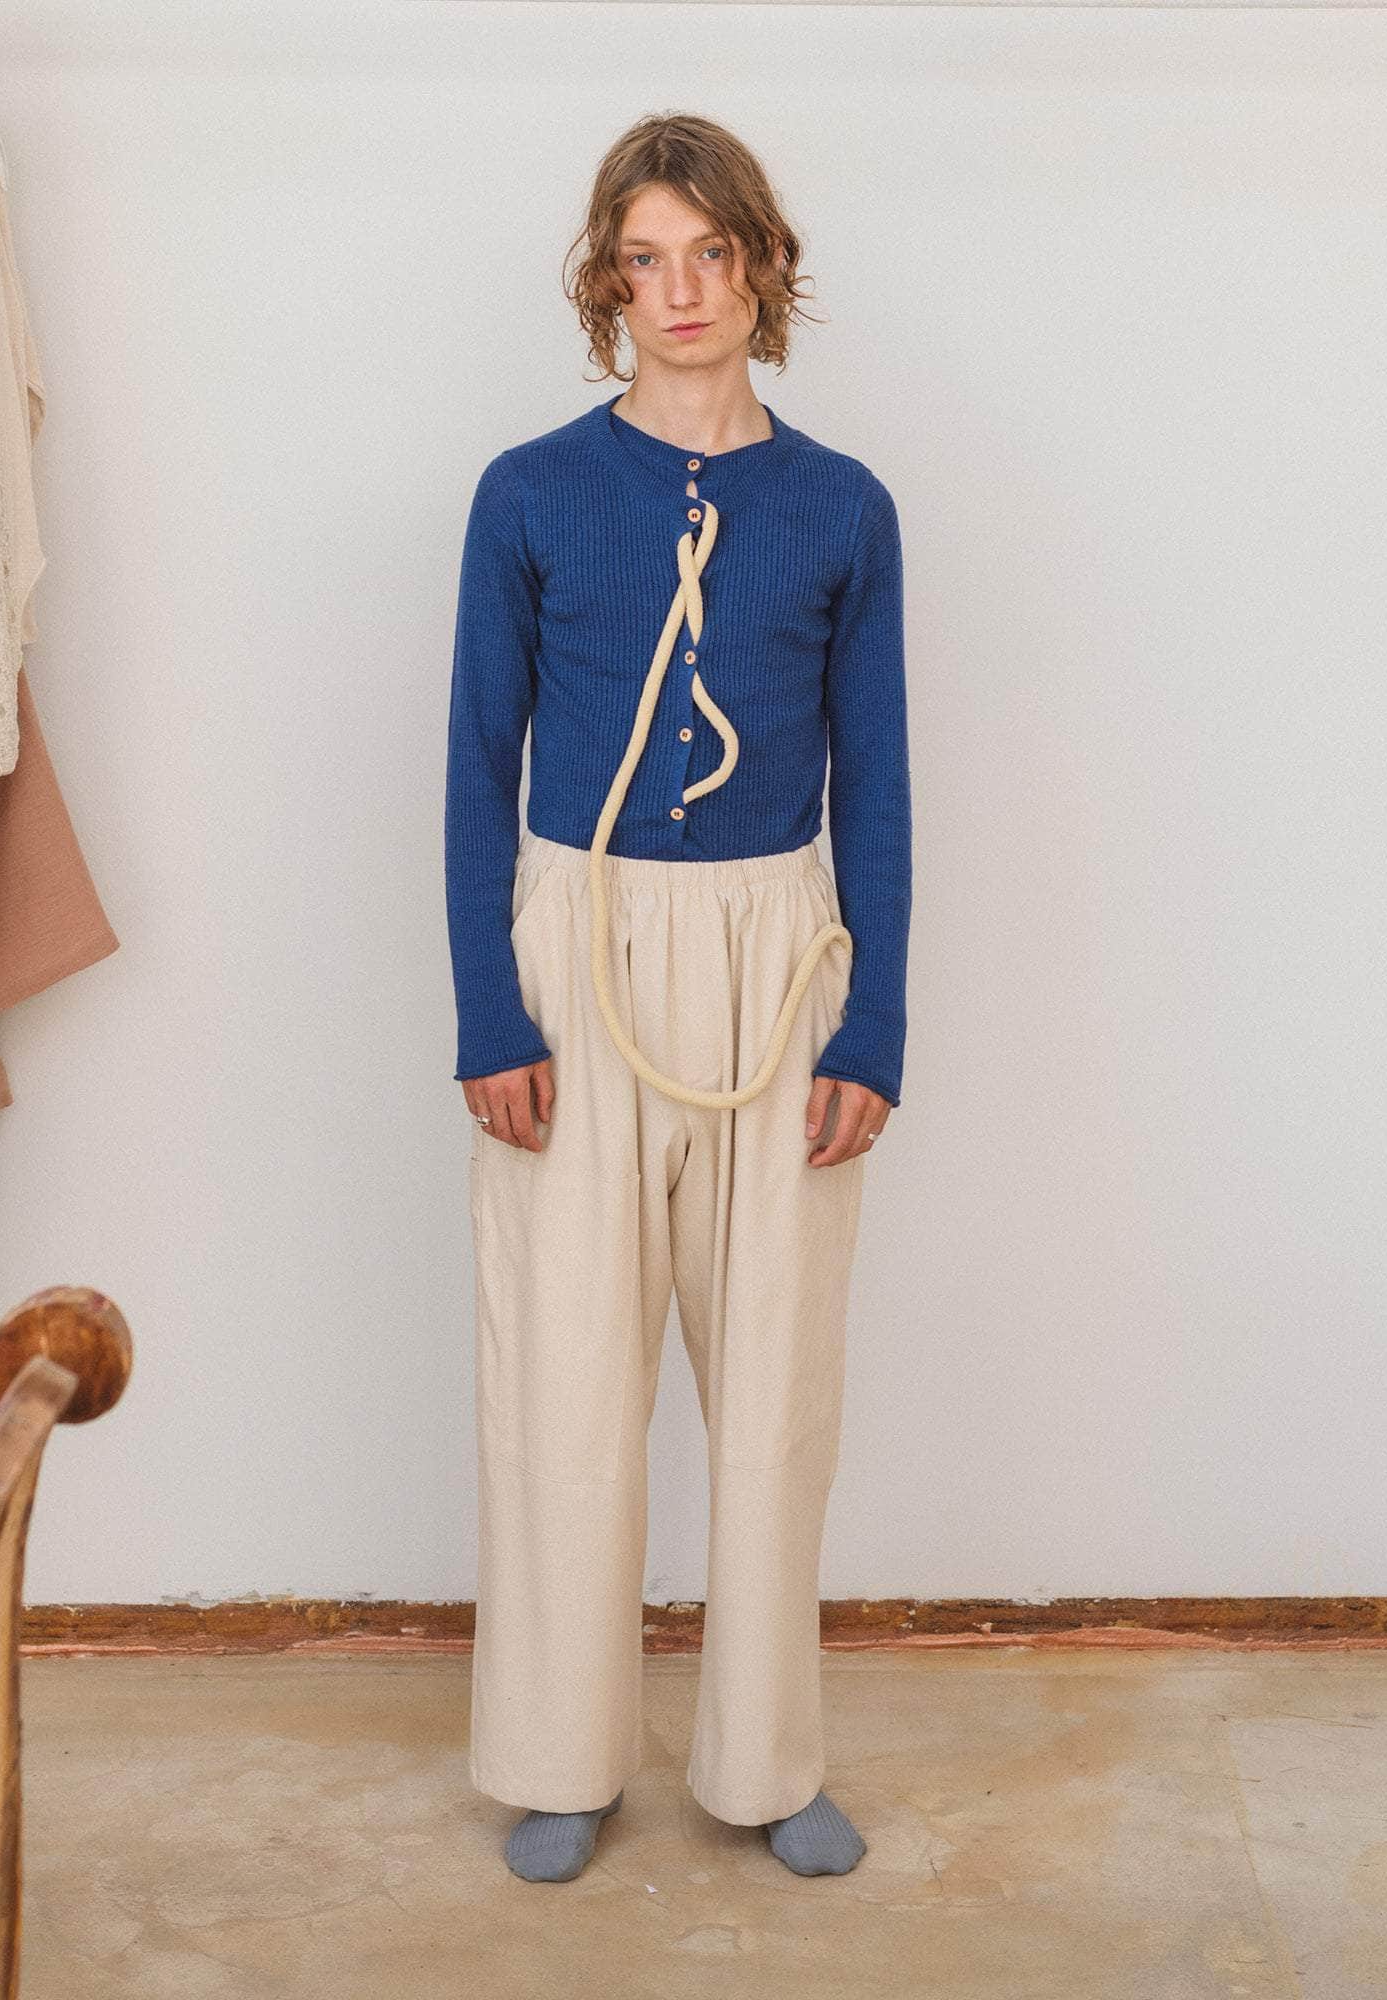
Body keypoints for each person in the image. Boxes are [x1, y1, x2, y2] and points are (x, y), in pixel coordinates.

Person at [443, 111, 911, 1884]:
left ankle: (767, 1760)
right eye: (645, 260)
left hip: (779, 955)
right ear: (606, 284)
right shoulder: (528, 493)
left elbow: (878, 786)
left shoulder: (845, 507)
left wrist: (875, 1027)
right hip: (577, 946)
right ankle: (561, 1754)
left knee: (778, 1385)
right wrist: (491, 1010)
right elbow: (477, 767)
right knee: (565, 1378)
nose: (681, 292)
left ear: (761, 267)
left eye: (711, 254)